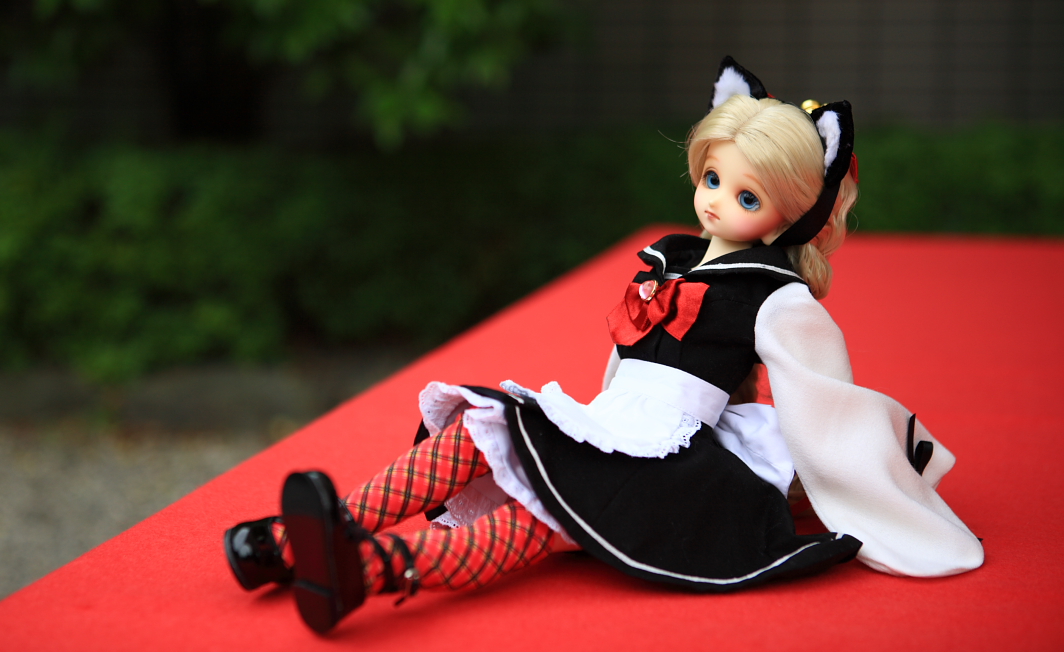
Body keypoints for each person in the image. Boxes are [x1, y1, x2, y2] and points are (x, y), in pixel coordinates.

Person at [224, 57, 984, 634]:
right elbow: (626, 360)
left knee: (537, 519)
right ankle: (305, 537)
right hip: (616, 420)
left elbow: (826, 402)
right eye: (712, 179)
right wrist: (589, 422)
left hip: (670, 456)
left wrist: (860, 487)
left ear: (790, 215)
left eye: (747, 196)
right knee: (476, 433)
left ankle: (372, 571)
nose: (717, 202)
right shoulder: (671, 260)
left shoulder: (776, 296)